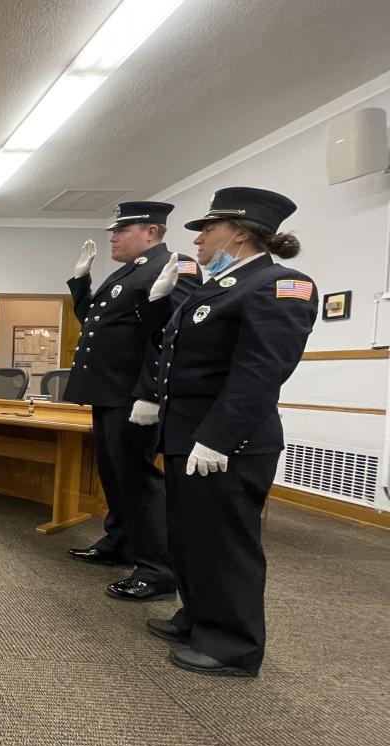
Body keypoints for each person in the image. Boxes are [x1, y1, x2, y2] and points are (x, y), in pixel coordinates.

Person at [145, 187, 316, 676]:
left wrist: (219, 436)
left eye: (208, 230)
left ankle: (232, 646)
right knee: (190, 535)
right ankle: (198, 617)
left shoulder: (281, 285)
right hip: (186, 436)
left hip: (228, 443)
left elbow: (260, 371)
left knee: (225, 542)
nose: (198, 240)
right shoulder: (217, 287)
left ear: (238, 233)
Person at [64, 202, 197, 601]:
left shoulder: (174, 264)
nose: (113, 238)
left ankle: (157, 569)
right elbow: (95, 322)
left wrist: (152, 392)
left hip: (133, 394)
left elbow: (172, 335)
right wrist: (81, 282)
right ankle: (119, 543)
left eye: (122, 230)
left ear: (152, 232)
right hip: (108, 391)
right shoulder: (130, 271)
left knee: (137, 479)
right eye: (113, 232)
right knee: (113, 472)